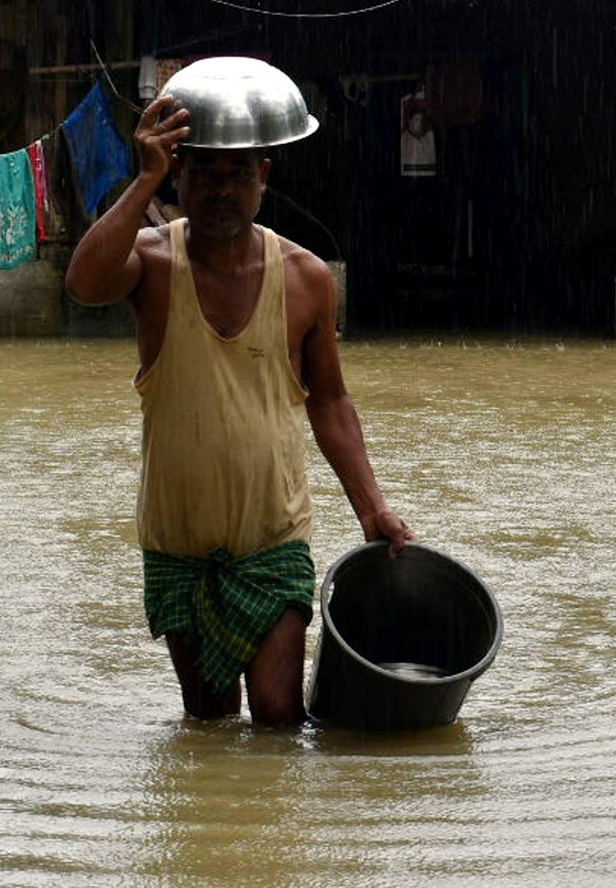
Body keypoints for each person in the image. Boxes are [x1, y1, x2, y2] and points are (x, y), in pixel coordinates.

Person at [64, 91, 412, 728]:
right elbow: (83, 285)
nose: (222, 192)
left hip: (272, 538)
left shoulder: (306, 277)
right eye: (204, 175)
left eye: (238, 176)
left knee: (279, 713)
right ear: (181, 176)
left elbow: (330, 400)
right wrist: (145, 178)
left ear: (264, 180)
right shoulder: (151, 261)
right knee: (208, 720)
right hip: (178, 544)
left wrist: (372, 506)